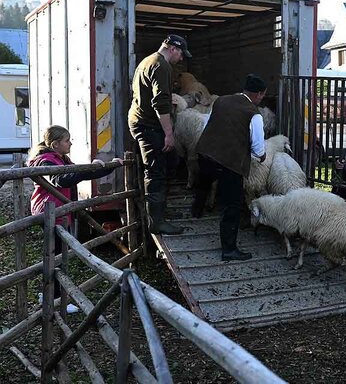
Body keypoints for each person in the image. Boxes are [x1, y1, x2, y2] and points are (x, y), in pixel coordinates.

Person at [28, 125, 123, 312]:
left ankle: (50, 294)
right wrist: (88, 169)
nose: (70, 143)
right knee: (55, 256)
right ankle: (54, 299)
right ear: (55, 144)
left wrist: (107, 167)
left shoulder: (59, 158)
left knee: (56, 255)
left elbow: (77, 173)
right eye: (67, 140)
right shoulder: (45, 161)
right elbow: (61, 179)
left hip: (59, 212)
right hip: (50, 213)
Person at [193, 74, 267, 261]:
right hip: (229, 163)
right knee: (231, 205)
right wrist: (262, 155)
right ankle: (229, 250)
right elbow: (258, 147)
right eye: (262, 95)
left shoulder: (222, 101)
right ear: (258, 94)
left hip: (205, 152)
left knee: (204, 182)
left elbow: (209, 123)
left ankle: (196, 210)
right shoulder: (254, 113)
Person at [128, 34, 192, 235]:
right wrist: (169, 133)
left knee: (170, 162)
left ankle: (161, 213)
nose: (181, 59)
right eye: (181, 53)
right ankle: (156, 222)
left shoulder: (146, 61)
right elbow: (160, 102)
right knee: (155, 171)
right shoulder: (162, 66)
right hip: (148, 125)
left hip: (143, 120)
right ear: (173, 48)